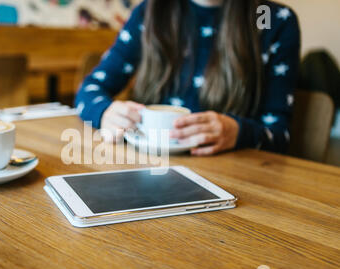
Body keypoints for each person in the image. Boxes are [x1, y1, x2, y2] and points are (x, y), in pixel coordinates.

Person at [75, 0, 300, 155]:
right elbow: (89, 90)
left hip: (231, 178)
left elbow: (279, 136)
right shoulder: (150, 11)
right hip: (146, 165)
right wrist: (105, 112)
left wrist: (239, 132)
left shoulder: (272, 20)